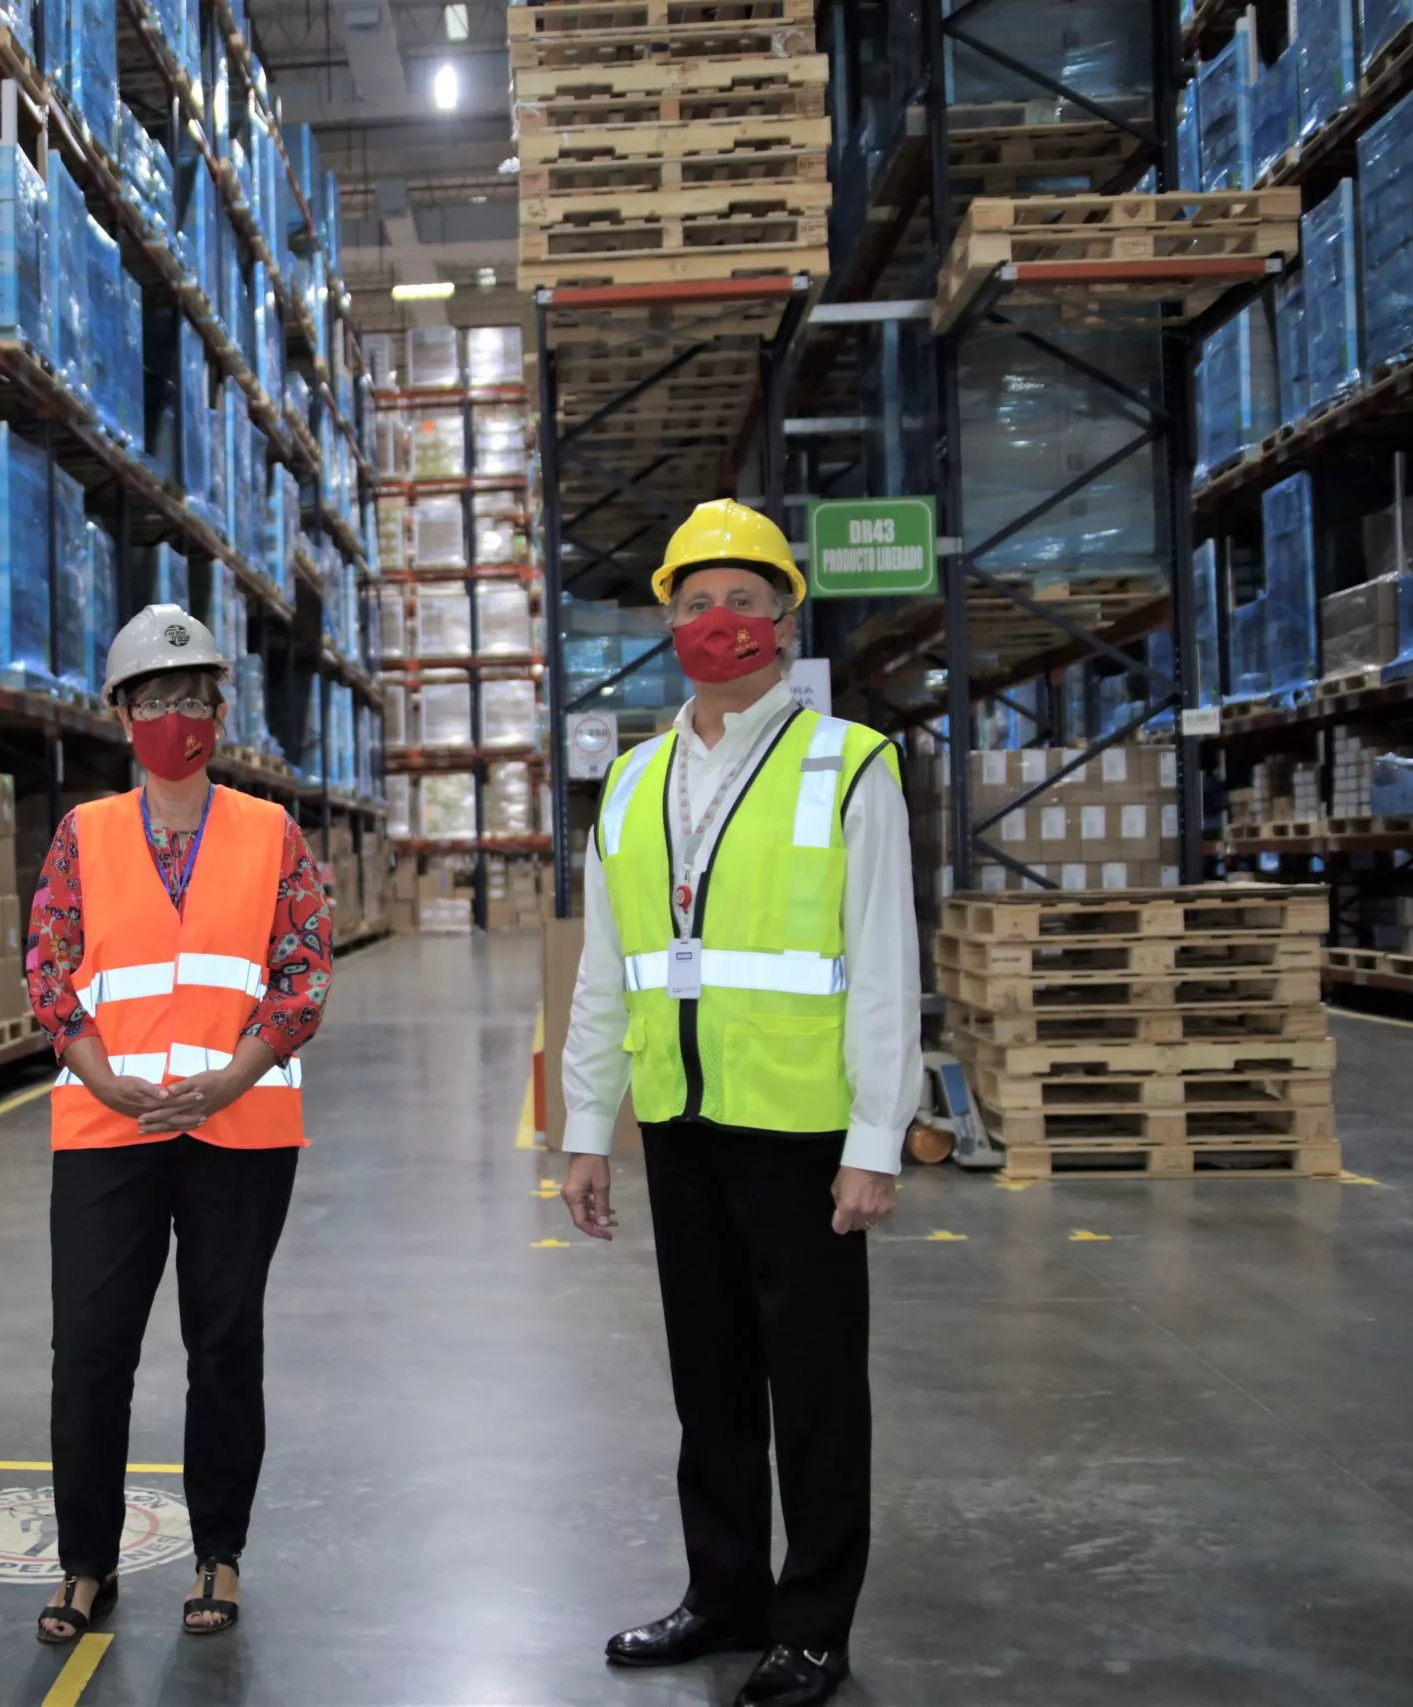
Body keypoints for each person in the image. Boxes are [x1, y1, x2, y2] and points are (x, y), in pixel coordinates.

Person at [557, 500, 921, 1707]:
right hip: (680, 1121)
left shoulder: (850, 763)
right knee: (707, 1378)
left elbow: (882, 966)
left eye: (743, 602)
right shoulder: (630, 779)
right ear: (668, 621)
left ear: (782, 620)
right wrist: (582, 1131)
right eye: (696, 602)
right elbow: (605, 972)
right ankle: (724, 1594)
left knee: (812, 1386)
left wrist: (876, 1139)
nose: (720, 623)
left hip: (804, 1131)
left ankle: (814, 1621)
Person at [24, 605, 332, 1644]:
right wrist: (103, 1079)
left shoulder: (269, 831)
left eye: (191, 699)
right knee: (91, 1353)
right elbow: (49, 971)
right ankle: (84, 1565)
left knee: (222, 1348)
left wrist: (233, 1076)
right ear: (121, 716)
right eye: (152, 701)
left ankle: (219, 1556)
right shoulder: (85, 835)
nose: (173, 719)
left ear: (219, 709)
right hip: (107, 1131)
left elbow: (301, 974)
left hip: (237, 1132)